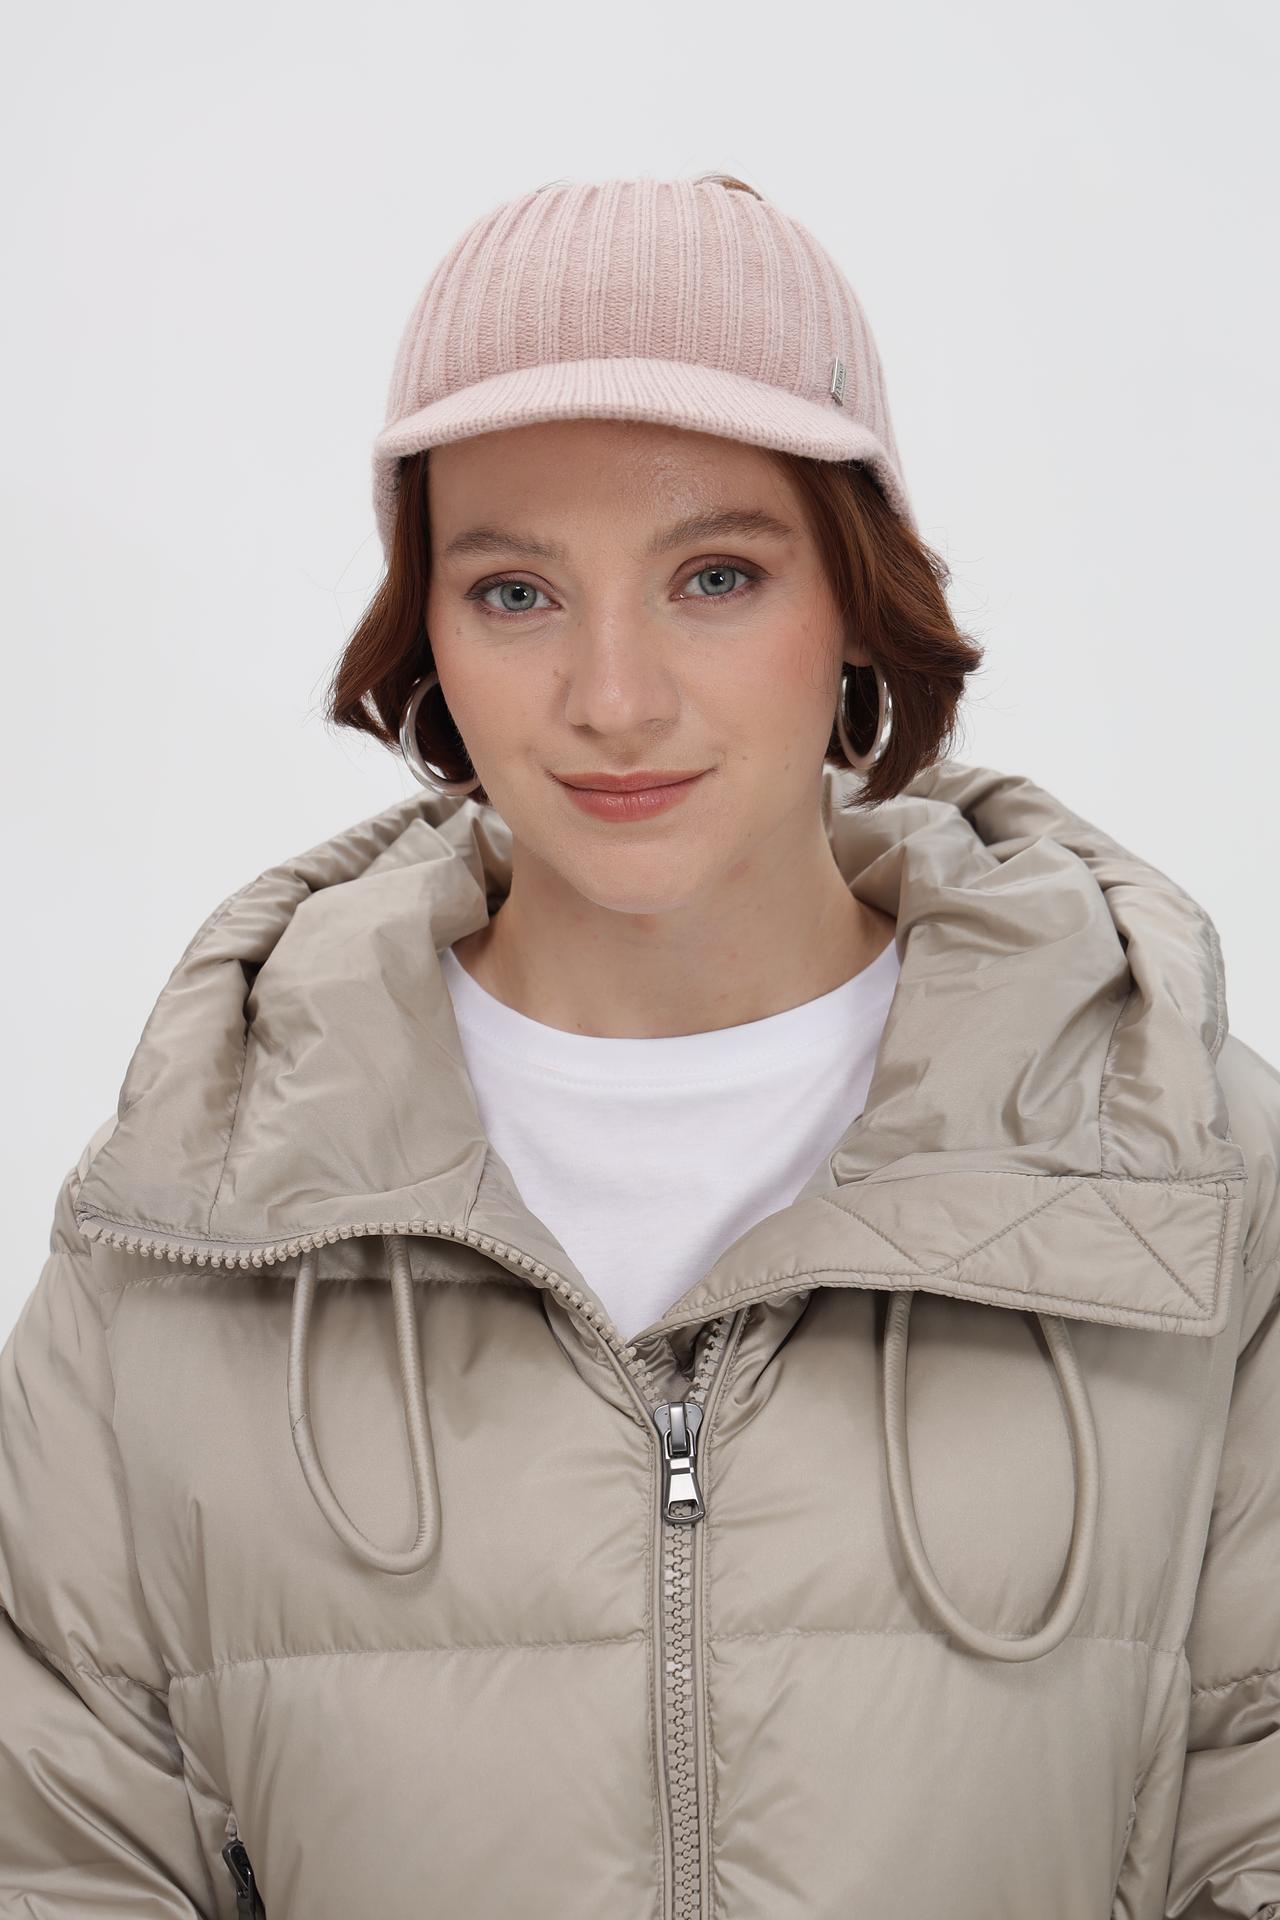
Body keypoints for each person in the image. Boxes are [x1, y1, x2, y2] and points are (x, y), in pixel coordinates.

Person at [1, 173, 1276, 1920]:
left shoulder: (1182, 1167)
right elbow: (59, 1859)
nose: (613, 697)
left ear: (858, 599)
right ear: (428, 631)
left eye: (717, 576)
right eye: (515, 591)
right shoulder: (188, 1210)